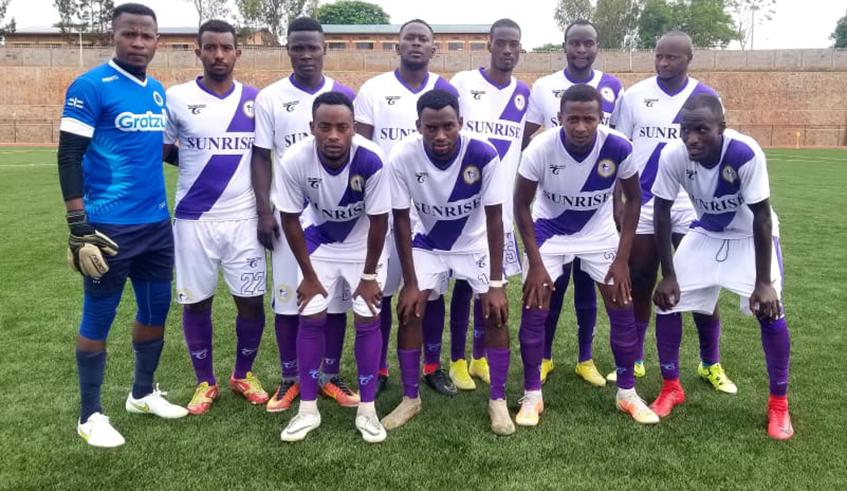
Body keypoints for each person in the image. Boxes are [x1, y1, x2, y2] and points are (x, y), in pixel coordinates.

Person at [59, 3, 187, 448]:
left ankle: (142, 393)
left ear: (157, 41)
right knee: (98, 315)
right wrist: (78, 225)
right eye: (129, 34)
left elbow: (157, 152)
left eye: (146, 35)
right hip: (108, 227)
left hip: (156, 224)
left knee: (155, 311)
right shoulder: (91, 85)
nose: (138, 42)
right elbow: (69, 154)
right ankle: (90, 414)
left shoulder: (156, 90)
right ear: (113, 36)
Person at [650, 94, 792, 440]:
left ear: (721, 128)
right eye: (686, 130)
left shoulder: (745, 152)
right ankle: (672, 387)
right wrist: (668, 275)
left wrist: (763, 282)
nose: (692, 138)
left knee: (769, 310)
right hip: (708, 233)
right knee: (667, 304)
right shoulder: (673, 155)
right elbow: (662, 212)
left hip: (749, 236)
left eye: (702, 130)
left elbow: (761, 216)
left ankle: (778, 404)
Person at [514, 85, 658, 426]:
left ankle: (627, 393)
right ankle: (532, 395)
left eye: (588, 119)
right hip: (550, 232)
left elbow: (634, 200)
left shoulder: (618, 146)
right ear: (560, 118)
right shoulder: (541, 147)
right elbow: (520, 204)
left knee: (622, 306)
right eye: (573, 119)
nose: (580, 127)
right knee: (535, 307)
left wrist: (622, 259)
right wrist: (534, 263)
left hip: (599, 235)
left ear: (600, 118)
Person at [382, 89, 514, 435]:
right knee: (409, 311)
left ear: (461, 124)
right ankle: (410, 398)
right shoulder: (403, 155)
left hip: (475, 243)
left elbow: (496, 219)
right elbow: (400, 219)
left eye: (448, 127)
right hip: (428, 243)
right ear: (418, 126)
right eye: (431, 128)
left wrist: (497, 284)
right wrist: (410, 283)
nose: (440, 136)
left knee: (496, 314)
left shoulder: (483, 154)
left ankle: (497, 401)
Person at [612, 31, 736, 392]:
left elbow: (718, 150)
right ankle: (634, 358)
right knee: (641, 279)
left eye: (672, 57)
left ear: (690, 58)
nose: (664, 63)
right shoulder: (634, 96)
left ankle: (709, 362)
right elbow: (621, 151)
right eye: (659, 56)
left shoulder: (707, 97)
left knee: (702, 284)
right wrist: (618, 202)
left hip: (693, 204)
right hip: (646, 203)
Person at [252, 17, 359, 412]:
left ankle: (331, 376)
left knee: (335, 302)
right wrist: (265, 211)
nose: (306, 54)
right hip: (290, 218)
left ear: (325, 47)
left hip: (336, 219)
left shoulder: (344, 93)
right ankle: (290, 378)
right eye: (298, 47)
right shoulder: (270, 97)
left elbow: (358, 158)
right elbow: (262, 157)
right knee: (287, 301)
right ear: (288, 49)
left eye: (313, 47)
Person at [164, 20, 268, 415]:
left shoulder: (255, 101)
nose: (219, 55)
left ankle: (243, 373)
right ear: (198, 51)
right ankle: (204, 382)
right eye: (211, 48)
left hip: (244, 221)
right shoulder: (176, 98)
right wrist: (194, 159)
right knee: (197, 304)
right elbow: (161, 149)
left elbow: (263, 157)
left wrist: (264, 212)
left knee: (252, 303)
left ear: (238, 52)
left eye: (226, 48)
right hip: (193, 220)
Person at [274, 92, 390, 443]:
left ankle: (368, 412)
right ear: (312, 128)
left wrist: (369, 277)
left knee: (367, 318)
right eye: (325, 127)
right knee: (311, 318)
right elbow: (290, 219)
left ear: (354, 128)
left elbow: (380, 221)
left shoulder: (372, 159)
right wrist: (308, 275)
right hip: (319, 242)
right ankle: (307, 410)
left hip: (363, 246)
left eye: (342, 127)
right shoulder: (295, 159)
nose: (334, 136)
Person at [354, 19, 459, 397]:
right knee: (381, 291)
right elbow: (360, 150)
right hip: (384, 209)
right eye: (409, 38)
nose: (416, 44)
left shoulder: (444, 90)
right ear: (396, 47)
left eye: (424, 39)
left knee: (432, 293)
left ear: (434, 49)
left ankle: (432, 365)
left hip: (432, 211)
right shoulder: (373, 89)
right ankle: (380, 368)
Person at [522, 20, 625, 387]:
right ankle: (545, 357)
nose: (581, 50)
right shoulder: (545, 87)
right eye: (574, 44)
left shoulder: (613, 87)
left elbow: (616, 149)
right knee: (553, 285)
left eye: (588, 44)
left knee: (589, 284)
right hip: (555, 203)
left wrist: (615, 197)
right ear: (564, 46)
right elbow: (527, 139)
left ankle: (585, 358)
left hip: (596, 205)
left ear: (597, 47)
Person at [446, 18, 528, 390]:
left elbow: (520, 144)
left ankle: (480, 357)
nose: (508, 50)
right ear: (489, 45)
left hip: (499, 210)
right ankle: (456, 360)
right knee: (461, 286)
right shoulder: (463, 83)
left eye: (514, 44)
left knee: (488, 284)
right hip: (458, 203)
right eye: (502, 43)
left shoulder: (524, 93)